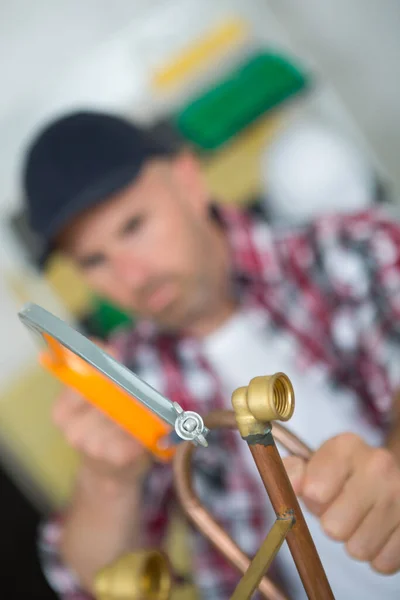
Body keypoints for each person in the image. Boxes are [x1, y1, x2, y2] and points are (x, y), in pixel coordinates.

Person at [22, 111, 400, 600]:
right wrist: (107, 481)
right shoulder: (134, 381)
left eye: (134, 226)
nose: (131, 275)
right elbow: (88, 582)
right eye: (94, 260)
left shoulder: (353, 249)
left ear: (188, 181)